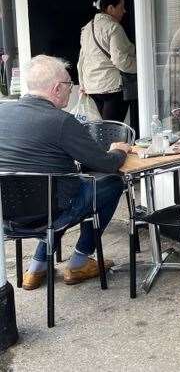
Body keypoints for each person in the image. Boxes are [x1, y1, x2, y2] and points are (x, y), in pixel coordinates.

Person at [0, 55, 130, 289]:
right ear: (57, 88)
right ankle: (79, 261)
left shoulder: (2, 113)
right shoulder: (62, 121)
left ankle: (36, 268)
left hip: (7, 217)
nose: (71, 90)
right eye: (70, 85)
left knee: (53, 195)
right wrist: (119, 150)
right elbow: (106, 164)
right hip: (52, 212)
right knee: (111, 183)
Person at [78, 0, 136, 122]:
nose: (124, 12)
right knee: (112, 129)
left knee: (101, 128)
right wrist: (143, 67)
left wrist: (82, 84)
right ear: (111, 8)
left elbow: (81, 60)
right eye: (121, 7)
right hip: (111, 86)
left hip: (92, 87)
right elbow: (120, 60)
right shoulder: (113, 27)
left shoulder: (87, 28)